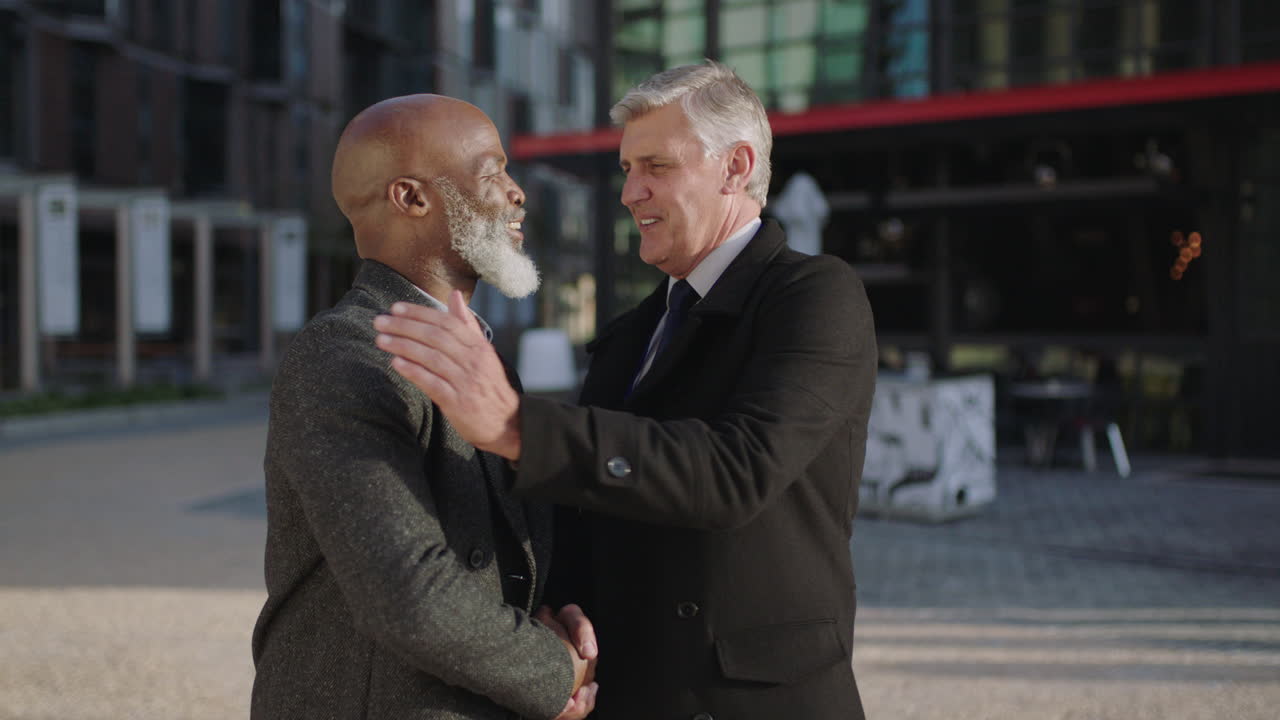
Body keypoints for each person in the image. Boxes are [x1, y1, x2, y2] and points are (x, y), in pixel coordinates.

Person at [374, 62, 876, 720]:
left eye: (656, 167)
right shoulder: (630, 335)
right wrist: (560, 616)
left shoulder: (815, 294)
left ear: (736, 166)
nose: (630, 192)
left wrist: (520, 428)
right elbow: (589, 510)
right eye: (626, 169)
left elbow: (737, 471)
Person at [251, 94, 598, 720]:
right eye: (491, 172)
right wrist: (552, 671)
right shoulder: (343, 354)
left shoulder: (480, 353)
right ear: (412, 199)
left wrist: (562, 617)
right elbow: (408, 591)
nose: (517, 193)